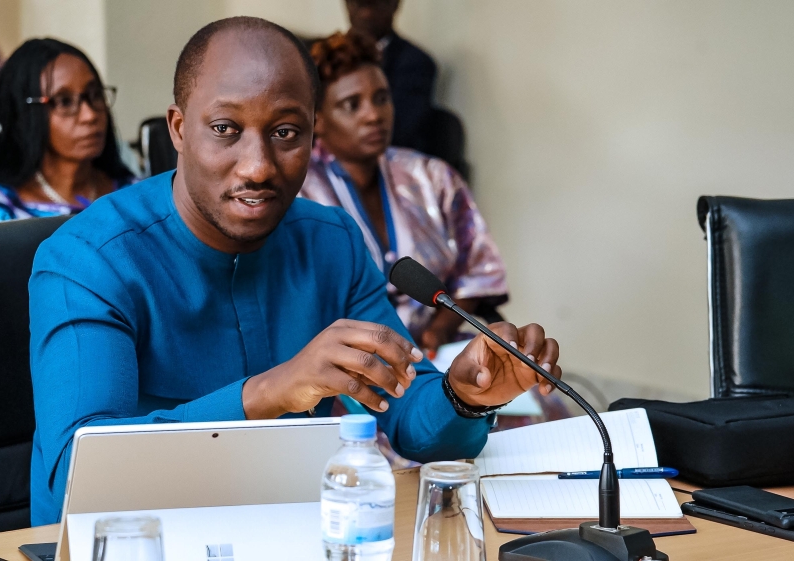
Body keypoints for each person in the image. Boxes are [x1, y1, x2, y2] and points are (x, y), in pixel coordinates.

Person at [29, 16, 562, 525]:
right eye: (225, 128)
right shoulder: (88, 260)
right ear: (179, 128)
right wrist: (269, 392)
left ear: (313, 134)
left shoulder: (332, 242)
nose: (258, 166)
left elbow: (405, 413)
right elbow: (74, 476)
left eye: (285, 132)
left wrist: (462, 397)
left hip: (294, 531)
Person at [301, 31, 508, 354]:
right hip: (345, 366)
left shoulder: (432, 177)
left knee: (524, 391)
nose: (374, 115)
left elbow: (476, 273)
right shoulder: (298, 195)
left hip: (436, 355)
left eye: (382, 98)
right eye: (351, 105)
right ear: (318, 121)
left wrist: (437, 333)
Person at [0, 39, 134, 225]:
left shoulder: (141, 196)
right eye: (64, 101)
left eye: (95, 95)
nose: (90, 115)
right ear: (23, 114)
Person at [345, 0, 435, 152]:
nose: (366, 13)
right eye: (359, 4)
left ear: (394, 5)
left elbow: (396, 131)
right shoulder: (322, 56)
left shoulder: (416, 63)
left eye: (374, 4)